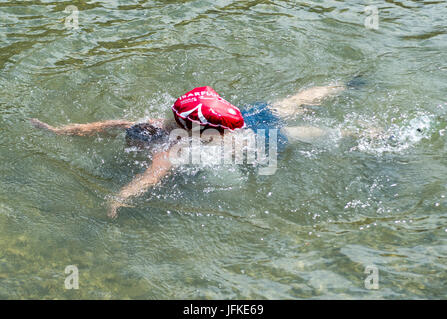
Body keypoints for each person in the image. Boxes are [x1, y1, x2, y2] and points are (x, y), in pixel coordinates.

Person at [31, 83, 348, 218]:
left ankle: (362, 133)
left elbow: (150, 177)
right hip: (248, 115)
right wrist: (60, 130)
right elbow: (112, 124)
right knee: (291, 103)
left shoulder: (171, 144)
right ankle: (341, 87)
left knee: (302, 133)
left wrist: (119, 197)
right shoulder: (174, 126)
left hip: (262, 138)